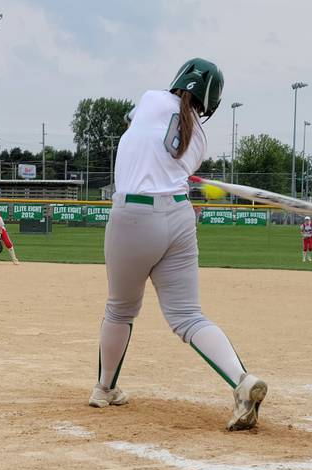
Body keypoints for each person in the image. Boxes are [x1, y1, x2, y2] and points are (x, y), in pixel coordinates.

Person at [88, 58, 267, 431]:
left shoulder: (151, 98)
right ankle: (242, 381)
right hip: (180, 217)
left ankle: (105, 388)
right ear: (211, 102)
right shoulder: (198, 138)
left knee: (120, 309)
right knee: (188, 317)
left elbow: (132, 122)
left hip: (133, 216)